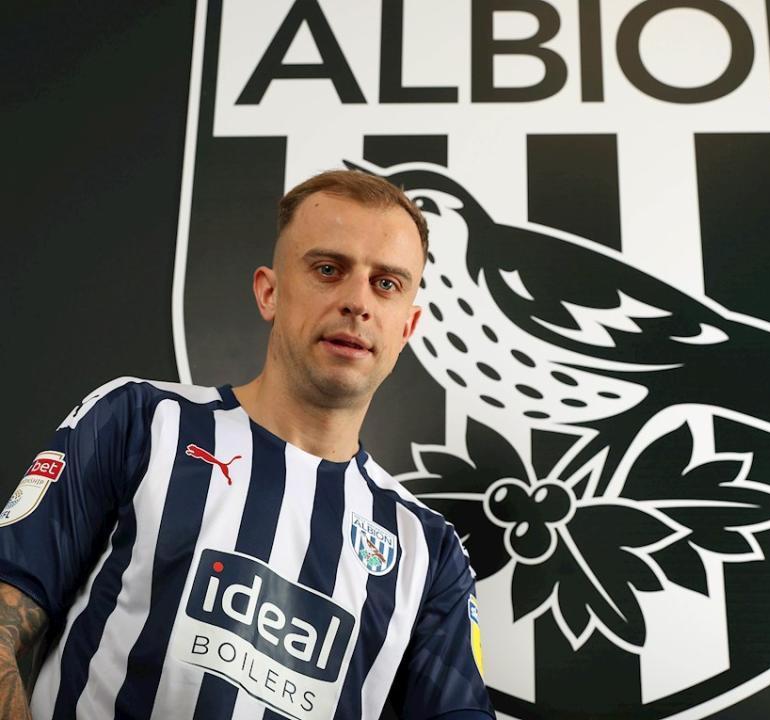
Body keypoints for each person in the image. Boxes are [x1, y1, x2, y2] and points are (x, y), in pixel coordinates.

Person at [0, 170, 494, 720]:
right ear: (269, 292)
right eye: (328, 270)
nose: (358, 302)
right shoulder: (140, 422)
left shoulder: (428, 551)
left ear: (407, 326)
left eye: (386, 284)